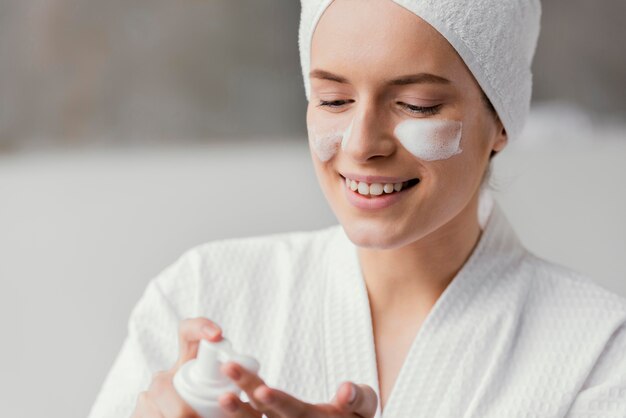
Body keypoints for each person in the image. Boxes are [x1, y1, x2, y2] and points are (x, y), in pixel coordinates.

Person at [88, 0, 626, 417]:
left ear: (501, 121)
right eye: (333, 100)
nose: (361, 143)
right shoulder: (203, 293)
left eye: (416, 105)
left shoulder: (595, 353)